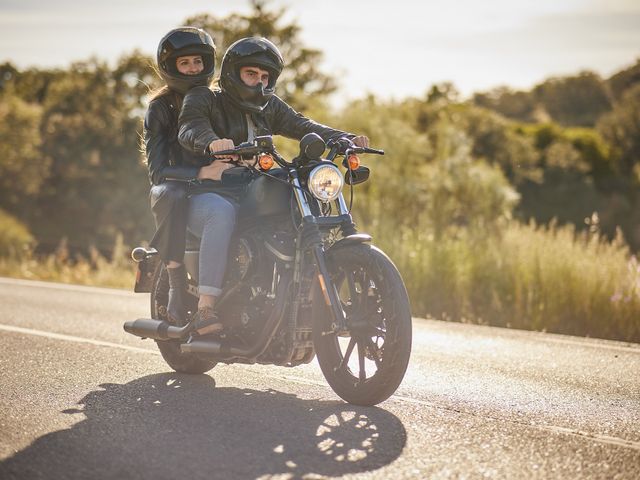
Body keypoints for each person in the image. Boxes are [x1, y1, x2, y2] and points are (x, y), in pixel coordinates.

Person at [177, 37, 369, 336]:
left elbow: (304, 125)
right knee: (221, 214)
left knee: (292, 208)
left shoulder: (269, 106)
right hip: (209, 191)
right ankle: (205, 308)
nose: (259, 82)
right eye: (251, 74)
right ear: (232, 72)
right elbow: (190, 128)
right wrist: (212, 142)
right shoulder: (204, 98)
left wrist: (345, 138)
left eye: (265, 77)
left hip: (254, 186)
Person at [144, 27, 216, 326]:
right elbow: (158, 171)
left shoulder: (217, 100)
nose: (192, 69)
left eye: (197, 62)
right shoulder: (160, 108)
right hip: (176, 187)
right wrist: (200, 172)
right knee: (172, 194)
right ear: (171, 67)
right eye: (184, 63)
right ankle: (175, 284)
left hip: (219, 182)